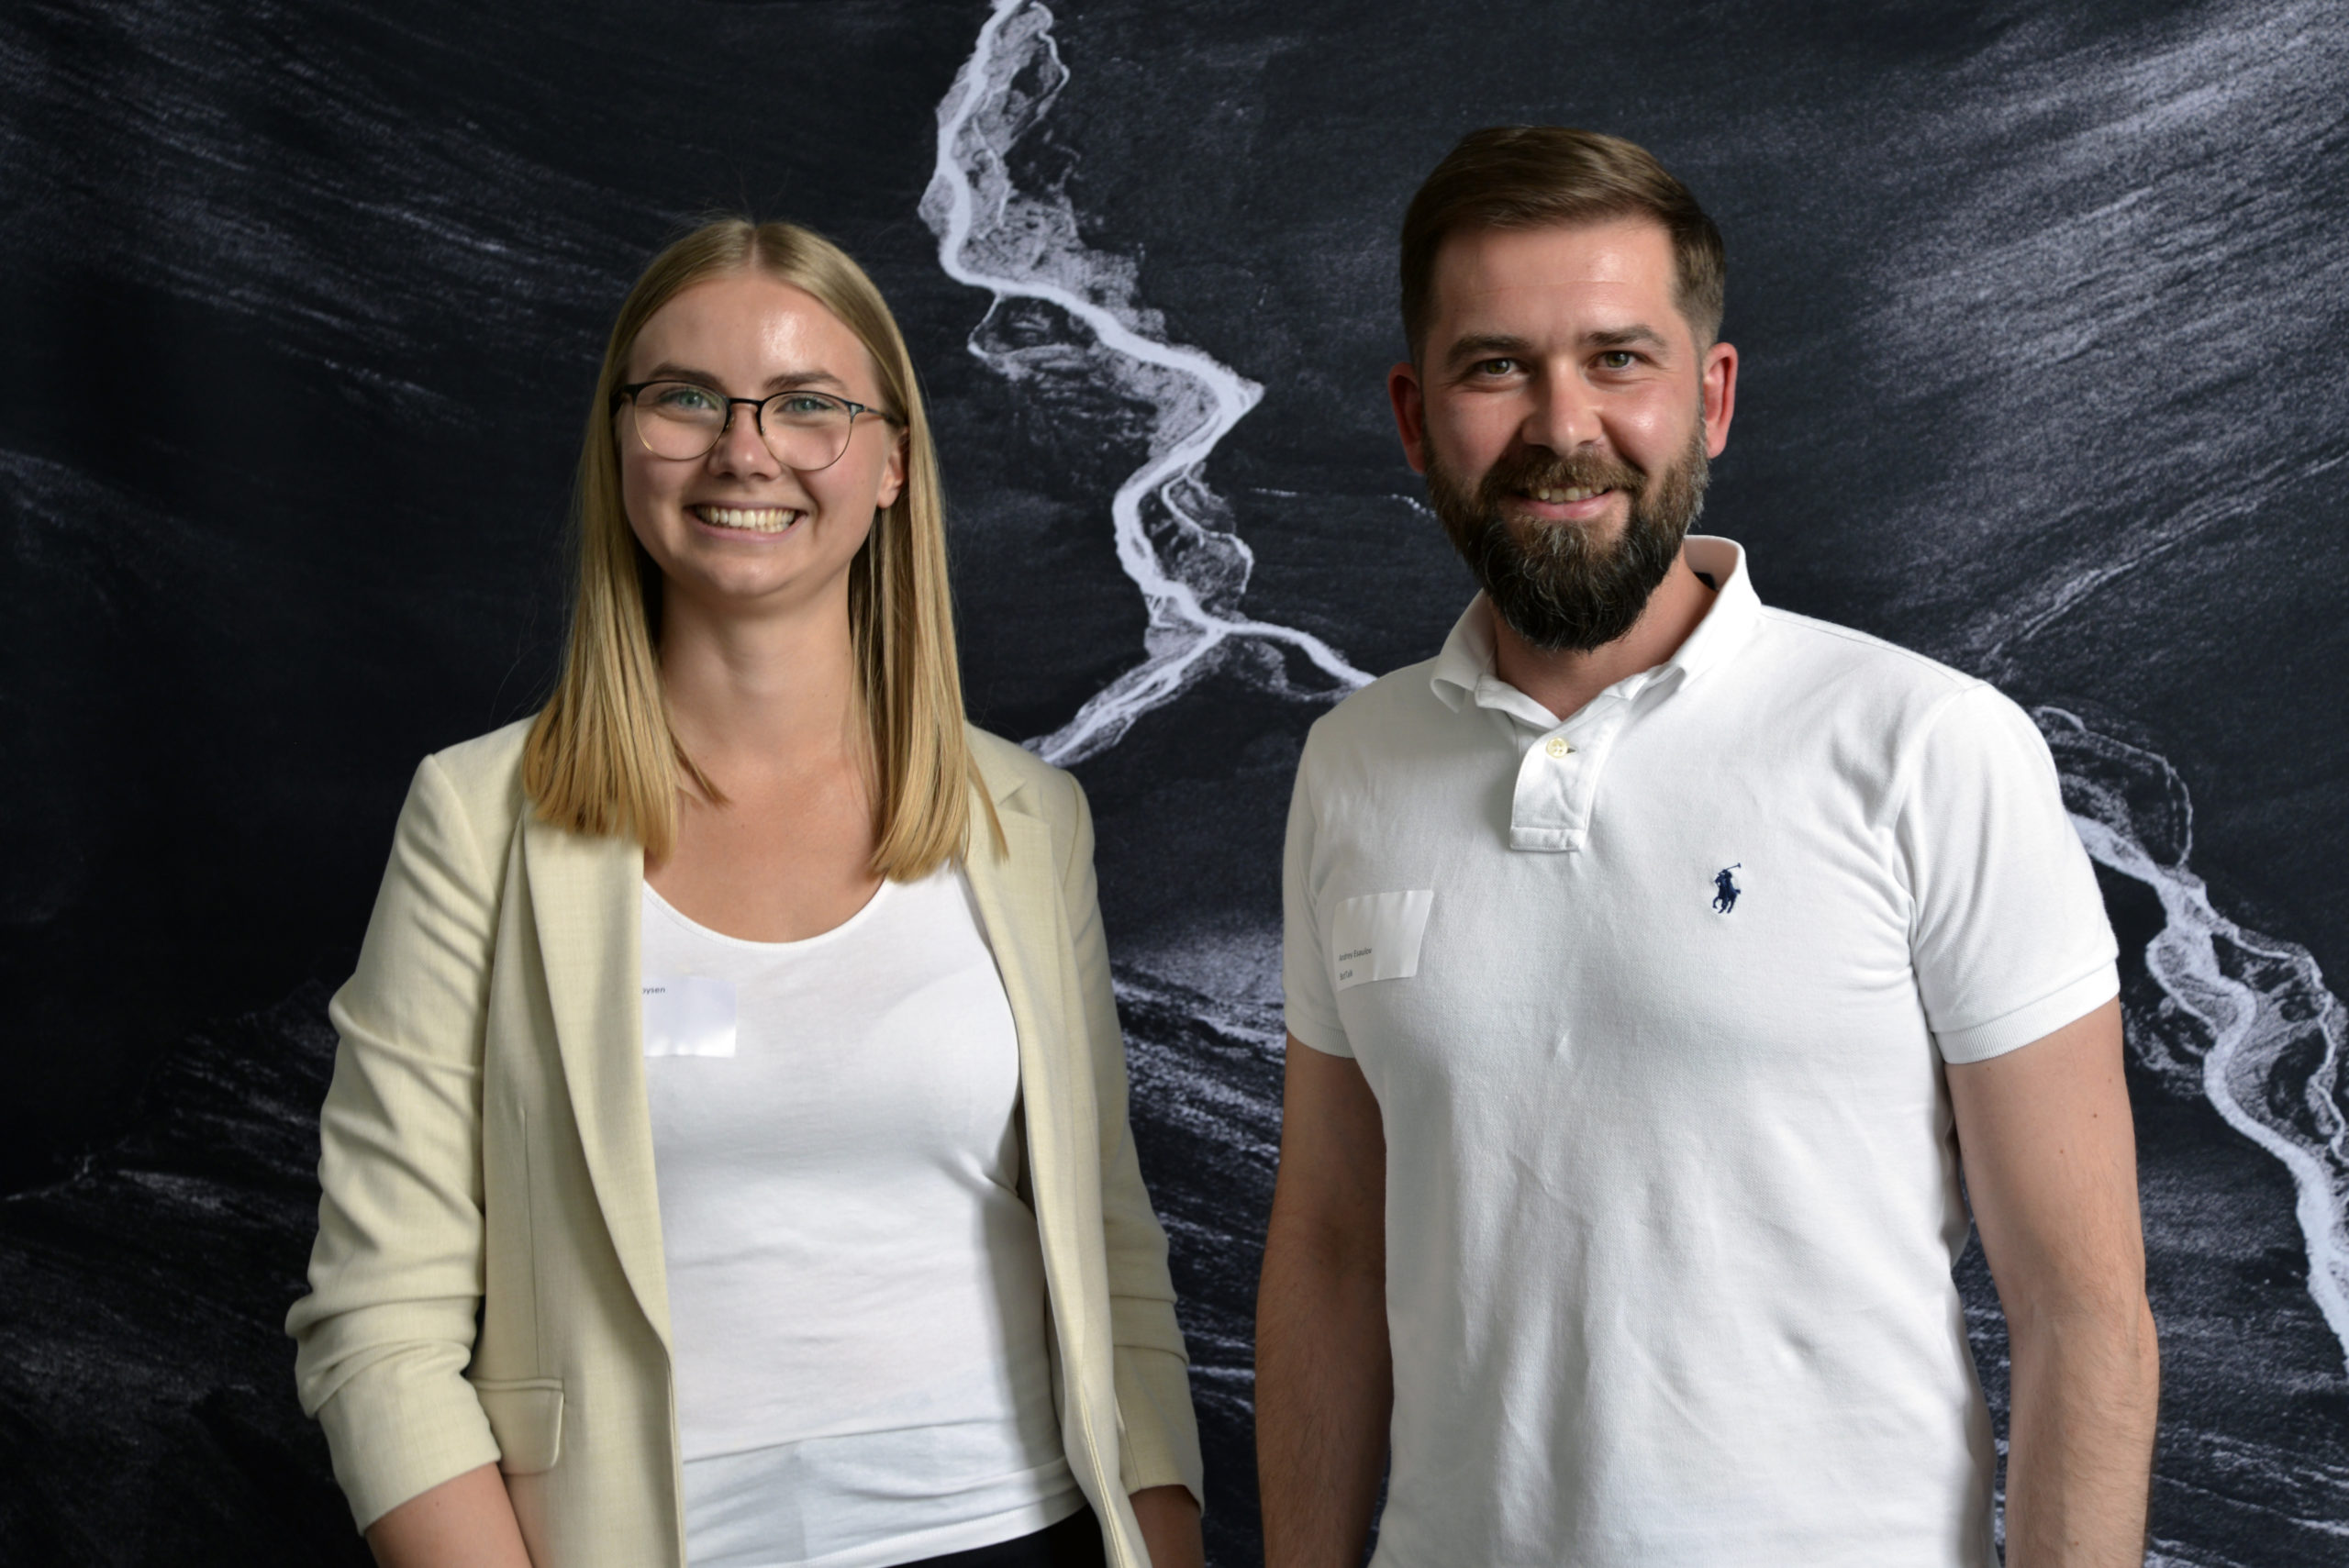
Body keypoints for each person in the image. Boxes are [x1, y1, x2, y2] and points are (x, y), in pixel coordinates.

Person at [1256, 128, 2159, 1567]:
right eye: (1497, 367)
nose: (1563, 425)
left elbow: (2082, 1308)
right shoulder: (1351, 766)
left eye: (1619, 358)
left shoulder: (1926, 746)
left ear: (1713, 397)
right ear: (1416, 418)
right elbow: (1329, 1246)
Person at [286, 218, 1204, 1568]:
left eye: (809, 404)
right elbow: (377, 1323)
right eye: (686, 398)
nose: (745, 449)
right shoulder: (478, 824)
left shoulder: (1025, 818)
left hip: (1022, 1533)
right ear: (621, 441)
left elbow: (1111, 1250)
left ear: (892, 463)